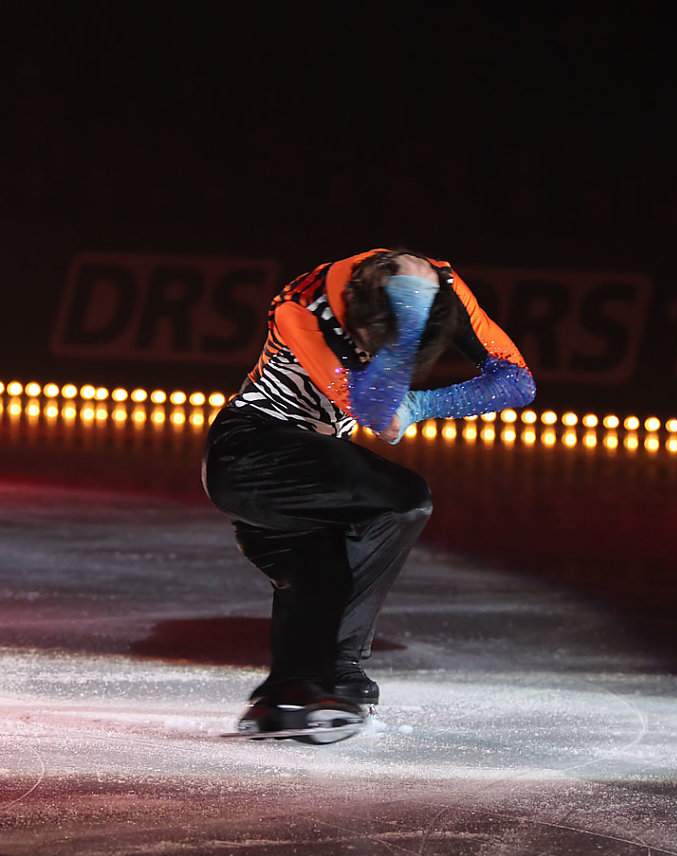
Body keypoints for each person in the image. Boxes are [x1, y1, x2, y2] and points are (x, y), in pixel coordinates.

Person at [202, 248, 535, 740]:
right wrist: (405, 332)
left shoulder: (442, 286)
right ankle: (336, 668)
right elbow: (377, 412)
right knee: (402, 497)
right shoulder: (301, 308)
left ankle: (292, 693)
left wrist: (421, 403)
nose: (388, 360)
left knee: (324, 576)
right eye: (371, 346)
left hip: (313, 467)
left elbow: (518, 382)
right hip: (251, 452)